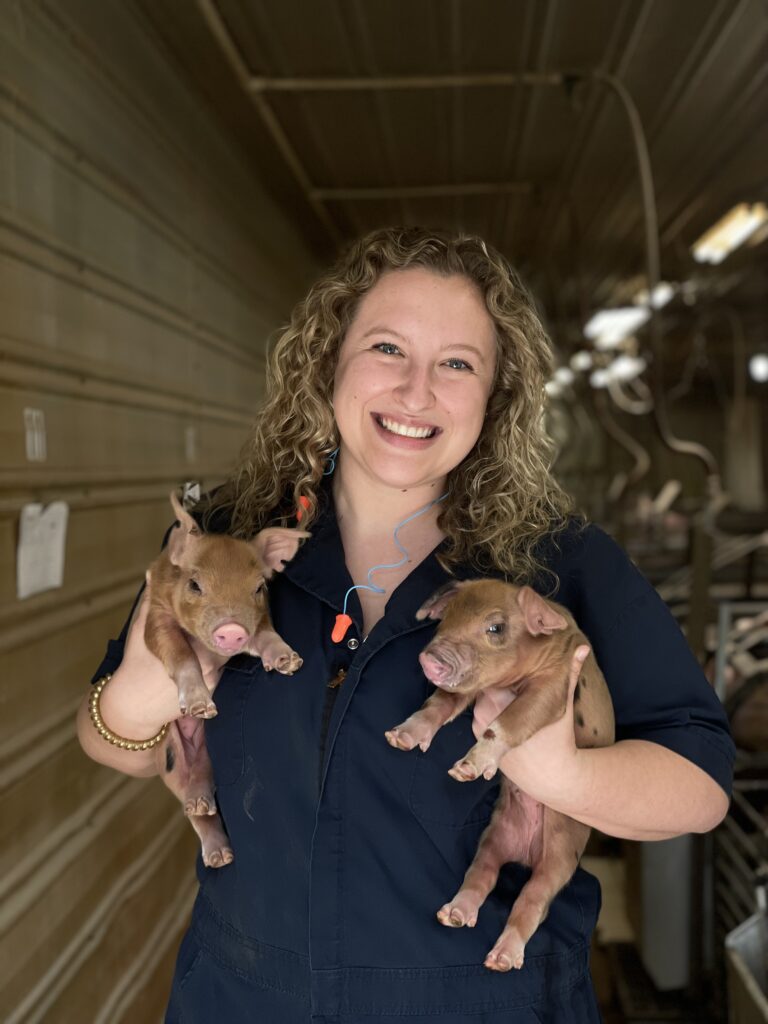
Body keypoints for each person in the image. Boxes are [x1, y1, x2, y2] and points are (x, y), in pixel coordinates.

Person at [77, 227, 733, 1023]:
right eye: (387, 349)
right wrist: (153, 687)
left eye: (457, 363)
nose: (417, 391)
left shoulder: (559, 564)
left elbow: (698, 787)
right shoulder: (229, 539)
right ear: (329, 364)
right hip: (245, 997)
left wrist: (561, 775)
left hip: (487, 1004)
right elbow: (105, 740)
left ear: (495, 398)